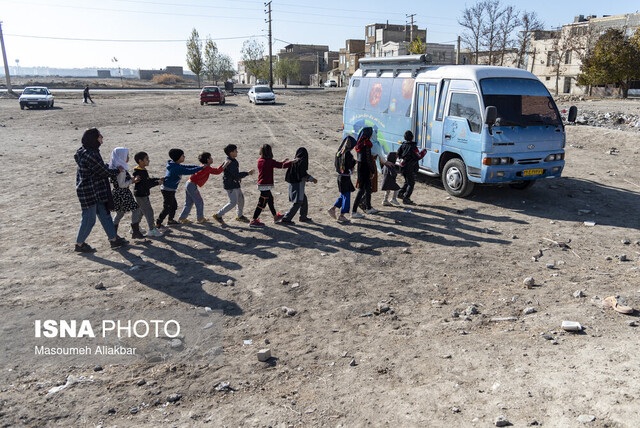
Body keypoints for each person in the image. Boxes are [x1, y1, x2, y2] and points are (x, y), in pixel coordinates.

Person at [74, 128, 128, 252]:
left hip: (96, 190)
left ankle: (114, 239)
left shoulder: (86, 151)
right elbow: (103, 171)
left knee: (105, 214)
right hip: (89, 191)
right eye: (99, 136)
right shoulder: (91, 154)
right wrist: (117, 170)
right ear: (94, 138)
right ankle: (79, 244)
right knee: (89, 219)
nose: (102, 137)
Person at [250, 144, 296, 228]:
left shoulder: (260, 160)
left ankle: (275, 216)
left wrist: (282, 162)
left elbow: (277, 164)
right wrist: (292, 162)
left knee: (270, 200)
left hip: (261, 184)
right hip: (266, 185)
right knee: (262, 203)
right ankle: (254, 220)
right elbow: (281, 166)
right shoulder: (270, 161)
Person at [156, 149, 203, 228]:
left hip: (170, 190)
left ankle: (170, 221)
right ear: (178, 157)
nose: (184, 156)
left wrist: (199, 167)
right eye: (182, 155)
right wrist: (201, 168)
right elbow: (188, 171)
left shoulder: (175, 164)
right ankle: (158, 223)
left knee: (173, 206)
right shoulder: (175, 168)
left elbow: (187, 167)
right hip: (167, 190)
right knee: (167, 207)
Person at [178, 152, 229, 224]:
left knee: (189, 202)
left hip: (189, 184)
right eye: (211, 158)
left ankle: (182, 218)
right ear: (208, 160)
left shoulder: (204, 166)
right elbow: (217, 171)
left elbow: (216, 170)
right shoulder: (206, 167)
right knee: (199, 202)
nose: (212, 159)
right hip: (192, 185)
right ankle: (200, 218)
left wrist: (223, 164)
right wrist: (225, 164)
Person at [212, 144, 255, 225]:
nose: (237, 152)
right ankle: (218, 215)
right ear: (231, 153)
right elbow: (236, 174)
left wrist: (238, 178)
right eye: (235, 151)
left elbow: (234, 174)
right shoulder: (229, 162)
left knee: (241, 199)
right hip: (230, 185)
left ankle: (239, 215)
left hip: (235, 183)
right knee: (233, 202)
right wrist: (247, 173)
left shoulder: (233, 160)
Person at [109, 147, 144, 239]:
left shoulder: (114, 166)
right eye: (127, 155)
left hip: (116, 194)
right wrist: (132, 181)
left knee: (119, 213)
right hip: (123, 194)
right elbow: (122, 184)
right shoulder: (121, 170)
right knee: (136, 209)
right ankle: (135, 231)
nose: (128, 157)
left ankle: (112, 234)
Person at [132, 151, 164, 237]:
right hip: (141, 195)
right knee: (149, 212)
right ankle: (152, 230)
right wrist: (158, 182)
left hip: (141, 194)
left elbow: (148, 180)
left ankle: (135, 228)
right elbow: (147, 184)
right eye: (146, 159)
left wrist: (158, 179)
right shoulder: (139, 172)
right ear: (140, 161)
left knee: (141, 211)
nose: (148, 160)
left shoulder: (142, 170)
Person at [281, 147, 317, 224]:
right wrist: (312, 179)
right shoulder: (301, 163)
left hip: (292, 184)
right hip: (298, 186)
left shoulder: (294, 162)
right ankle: (286, 218)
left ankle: (303, 217)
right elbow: (303, 174)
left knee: (304, 200)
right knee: (298, 202)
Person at [328, 136, 356, 223]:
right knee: (346, 196)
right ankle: (342, 215)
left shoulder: (339, 153)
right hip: (345, 177)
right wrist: (354, 162)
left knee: (343, 195)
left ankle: (333, 209)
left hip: (340, 177)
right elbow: (349, 166)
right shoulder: (348, 154)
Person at [351, 127, 377, 219]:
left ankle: (368, 207)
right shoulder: (366, 144)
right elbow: (368, 159)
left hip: (361, 167)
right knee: (362, 190)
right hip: (365, 168)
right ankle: (354, 211)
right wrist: (373, 171)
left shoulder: (359, 143)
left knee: (368, 188)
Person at [398, 130, 426, 205]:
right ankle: (406, 198)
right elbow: (419, 156)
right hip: (409, 167)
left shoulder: (403, 145)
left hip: (402, 166)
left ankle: (400, 193)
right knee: (411, 183)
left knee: (407, 181)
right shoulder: (413, 147)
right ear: (412, 137)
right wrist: (424, 151)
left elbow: (398, 154)